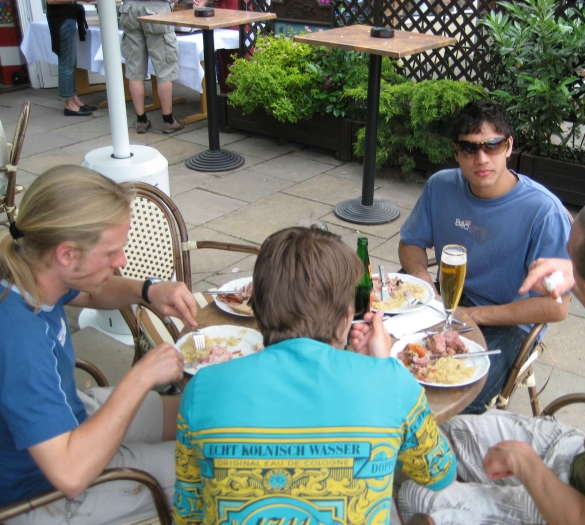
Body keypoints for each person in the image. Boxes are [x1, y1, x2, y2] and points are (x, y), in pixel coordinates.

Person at [399, 196, 585, 525]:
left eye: (569, 257)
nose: (563, 263)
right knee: (441, 436)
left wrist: (526, 463)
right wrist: (578, 272)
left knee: (415, 494)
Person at [173, 226, 456, 524]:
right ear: (347, 315)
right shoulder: (392, 383)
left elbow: (188, 514)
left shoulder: (203, 388)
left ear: (256, 306)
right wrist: (382, 367)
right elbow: (440, 474)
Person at [0, 165, 199, 523]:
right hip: (39, 490)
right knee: (213, 461)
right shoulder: (20, 341)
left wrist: (148, 290)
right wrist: (140, 377)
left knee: (197, 413)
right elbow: (71, 474)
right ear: (67, 254)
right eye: (111, 253)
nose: (121, 261)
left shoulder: (27, 266)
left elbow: (92, 293)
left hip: (66, 419)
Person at [399, 100, 571, 414]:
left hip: (511, 321)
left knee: (457, 397)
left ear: (509, 147)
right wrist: (423, 281)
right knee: (383, 355)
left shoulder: (544, 212)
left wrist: (471, 315)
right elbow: (411, 243)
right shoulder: (441, 186)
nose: (481, 159)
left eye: (492, 146)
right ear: (456, 153)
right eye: (469, 149)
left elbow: (555, 307)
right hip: (447, 300)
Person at [119, 0, 187, 134]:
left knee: (134, 70)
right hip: (156, 9)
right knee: (165, 69)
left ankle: (141, 120)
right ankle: (168, 120)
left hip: (129, 9)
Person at [46, 0, 97, 117]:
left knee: (71, 62)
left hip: (68, 17)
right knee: (67, 62)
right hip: (61, 19)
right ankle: (69, 104)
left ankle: (74, 99)